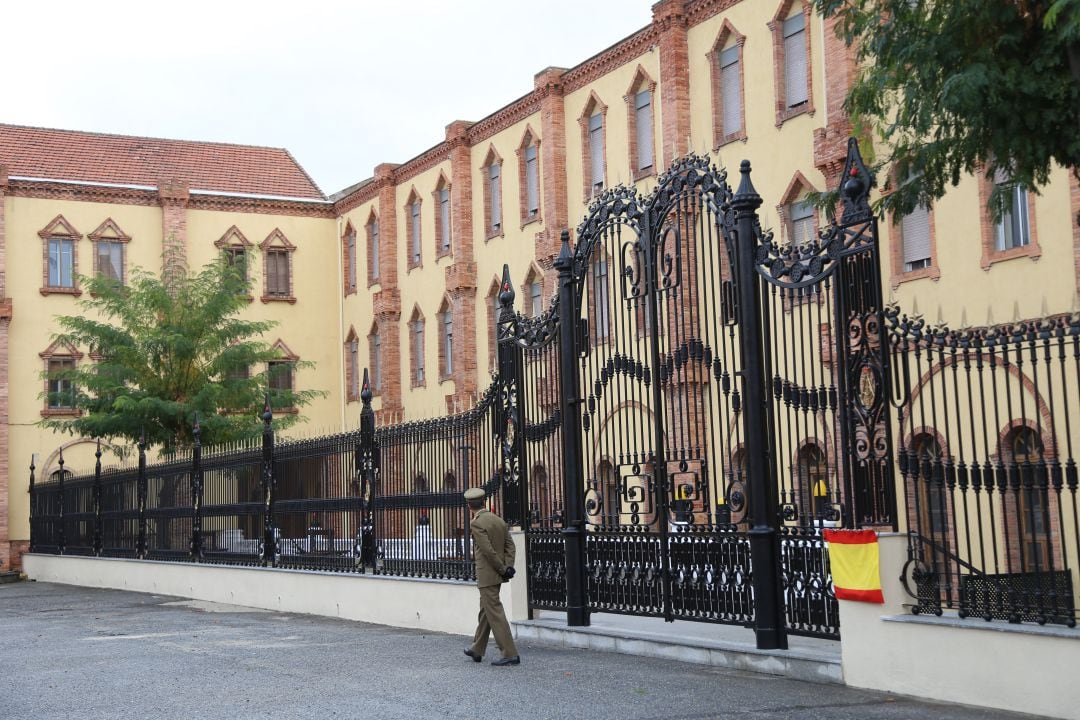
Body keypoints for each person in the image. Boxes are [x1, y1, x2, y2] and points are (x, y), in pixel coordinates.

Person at [462, 487, 520, 666]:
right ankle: (477, 649)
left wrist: (503, 569)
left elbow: (487, 551)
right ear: (484, 501)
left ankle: (510, 653)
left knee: (494, 612)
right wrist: (508, 566)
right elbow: (510, 546)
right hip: (497, 573)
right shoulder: (498, 520)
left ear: (468, 505)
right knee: (485, 610)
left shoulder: (476, 523)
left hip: (488, 574)